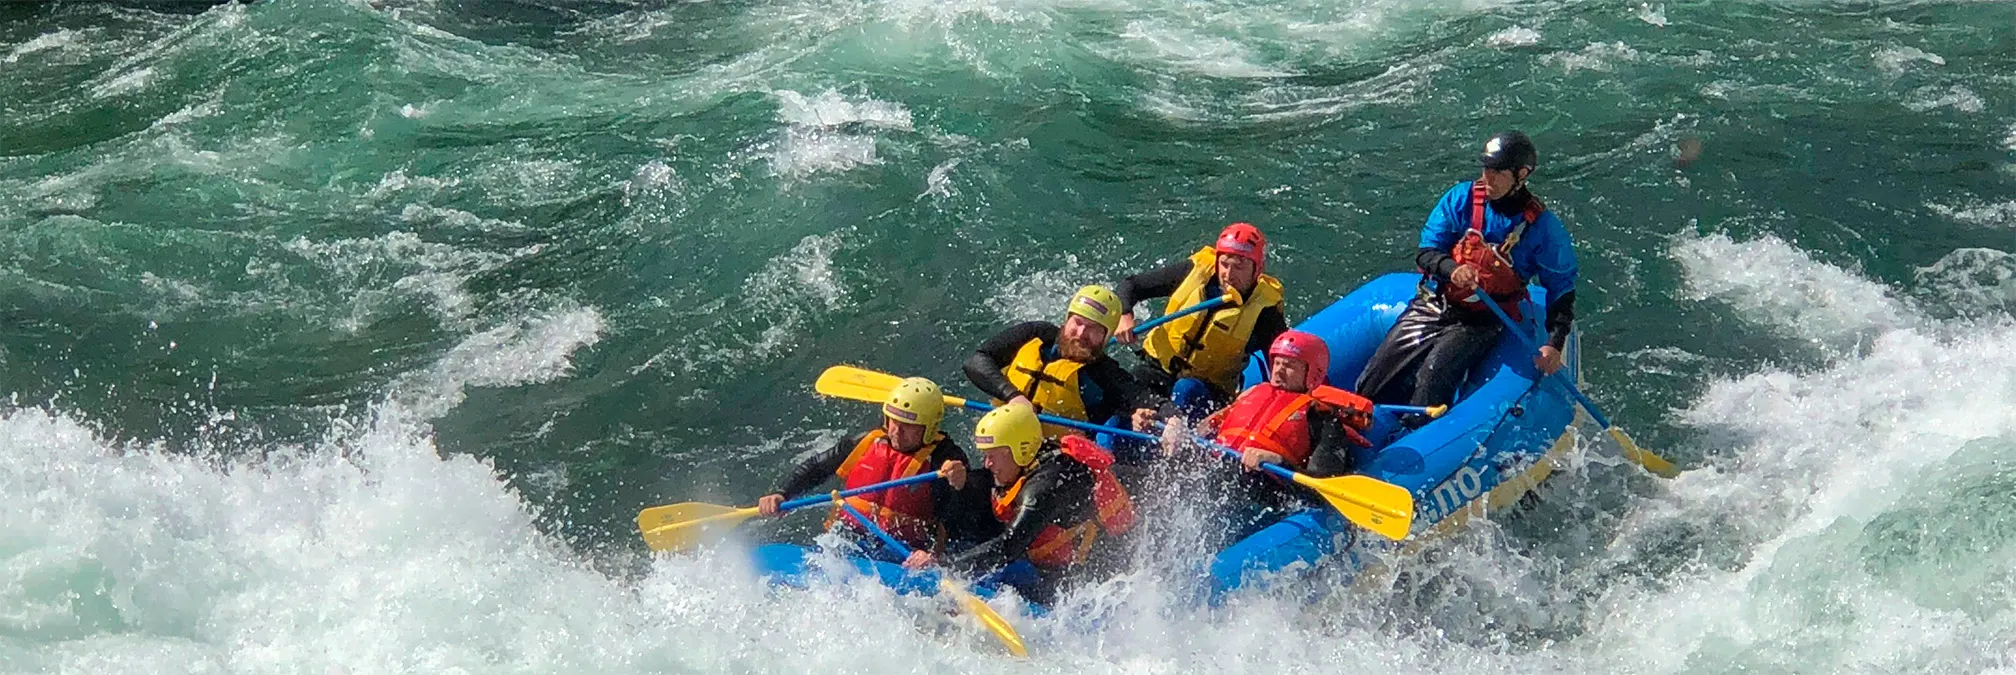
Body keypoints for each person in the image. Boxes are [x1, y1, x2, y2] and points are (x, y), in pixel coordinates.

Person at [1355, 131, 1580, 408]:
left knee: (1433, 377)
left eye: (1497, 172)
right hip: (1437, 303)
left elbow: (1562, 289)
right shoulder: (1461, 199)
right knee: (1373, 379)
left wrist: (1555, 343)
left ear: (1521, 174)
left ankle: (1418, 429)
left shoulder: (1542, 228)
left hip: (1483, 319)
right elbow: (1427, 253)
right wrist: (1452, 270)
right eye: (1486, 168)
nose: (1488, 178)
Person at [901, 401, 1136, 605]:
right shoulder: (1024, 464)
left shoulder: (1045, 487)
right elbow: (986, 500)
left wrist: (942, 565)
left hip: (1088, 579)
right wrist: (963, 484)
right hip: (1045, 565)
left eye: (992, 455)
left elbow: (1008, 546)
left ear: (1020, 450)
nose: (987, 463)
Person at [1165, 331, 1375, 537]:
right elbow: (1201, 432)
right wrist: (1179, 431)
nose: (1279, 371)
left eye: (1290, 365)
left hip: (1263, 498)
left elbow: (1320, 492)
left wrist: (1278, 461)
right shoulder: (1250, 395)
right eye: (1277, 363)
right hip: (1218, 479)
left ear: (1313, 374)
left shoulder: (1323, 420)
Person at [757, 377, 987, 555]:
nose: (896, 430)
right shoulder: (866, 442)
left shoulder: (946, 459)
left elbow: (961, 513)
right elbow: (817, 467)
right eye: (893, 420)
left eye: (907, 425)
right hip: (847, 538)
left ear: (928, 427)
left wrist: (961, 485)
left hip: (903, 551)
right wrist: (782, 493)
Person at [1114, 222, 1288, 414]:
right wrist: (1124, 315)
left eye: (1239, 267)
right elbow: (1131, 286)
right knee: (1124, 398)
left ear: (1257, 270)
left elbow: (1284, 362)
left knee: (1186, 389)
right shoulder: (1194, 272)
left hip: (1208, 393)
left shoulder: (1265, 310)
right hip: (1157, 370)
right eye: (1224, 264)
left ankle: (1172, 438)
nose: (1229, 275)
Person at [964, 284, 1169, 442]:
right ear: (1067, 320)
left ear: (1105, 337)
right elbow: (976, 361)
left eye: (1093, 329)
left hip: (1056, 457)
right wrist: (1014, 396)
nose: (1081, 333)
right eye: (1077, 322)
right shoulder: (1035, 335)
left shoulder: (1102, 373)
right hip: (1005, 443)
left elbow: (1144, 397)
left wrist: (1171, 419)